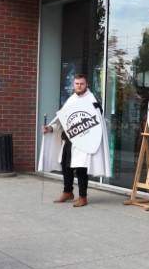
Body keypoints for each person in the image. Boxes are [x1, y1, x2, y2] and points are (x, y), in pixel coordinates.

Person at [40, 73, 110, 207]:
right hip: (69, 140)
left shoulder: (92, 100)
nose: (79, 86)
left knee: (81, 168)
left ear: (86, 84)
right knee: (66, 166)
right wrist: (50, 128)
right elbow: (62, 121)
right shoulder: (71, 100)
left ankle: (83, 197)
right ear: (74, 85)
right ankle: (68, 192)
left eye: (82, 83)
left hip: (84, 141)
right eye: (77, 84)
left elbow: (97, 121)